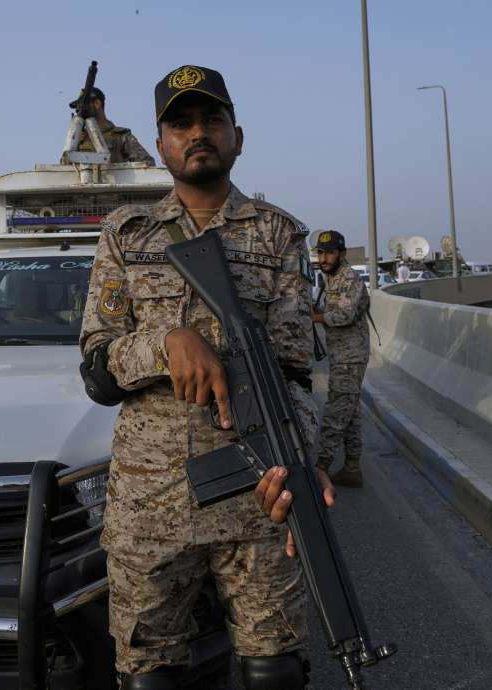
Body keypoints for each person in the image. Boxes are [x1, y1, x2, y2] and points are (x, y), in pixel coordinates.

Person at [79, 65, 333, 690]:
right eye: (181, 123)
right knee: (149, 674)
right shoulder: (125, 235)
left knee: (275, 669)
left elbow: (298, 372)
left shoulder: (278, 234)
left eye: (212, 121)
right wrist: (168, 345)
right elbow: (97, 367)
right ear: (162, 142)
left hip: (258, 492)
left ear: (237, 137)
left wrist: (301, 461)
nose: (198, 134)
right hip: (150, 500)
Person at [312, 230, 371, 487]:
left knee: (337, 412)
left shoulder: (350, 279)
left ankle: (319, 468)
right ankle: (352, 467)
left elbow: (344, 316)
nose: (324, 258)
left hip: (351, 356)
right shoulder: (329, 279)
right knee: (351, 413)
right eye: (321, 253)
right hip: (340, 354)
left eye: (329, 253)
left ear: (342, 254)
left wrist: (316, 317)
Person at [60, 86, 155, 165]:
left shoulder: (120, 136)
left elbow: (147, 163)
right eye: (77, 108)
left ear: (97, 104)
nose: (79, 111)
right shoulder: (77, 139)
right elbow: (63, 169)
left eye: (83, 105)